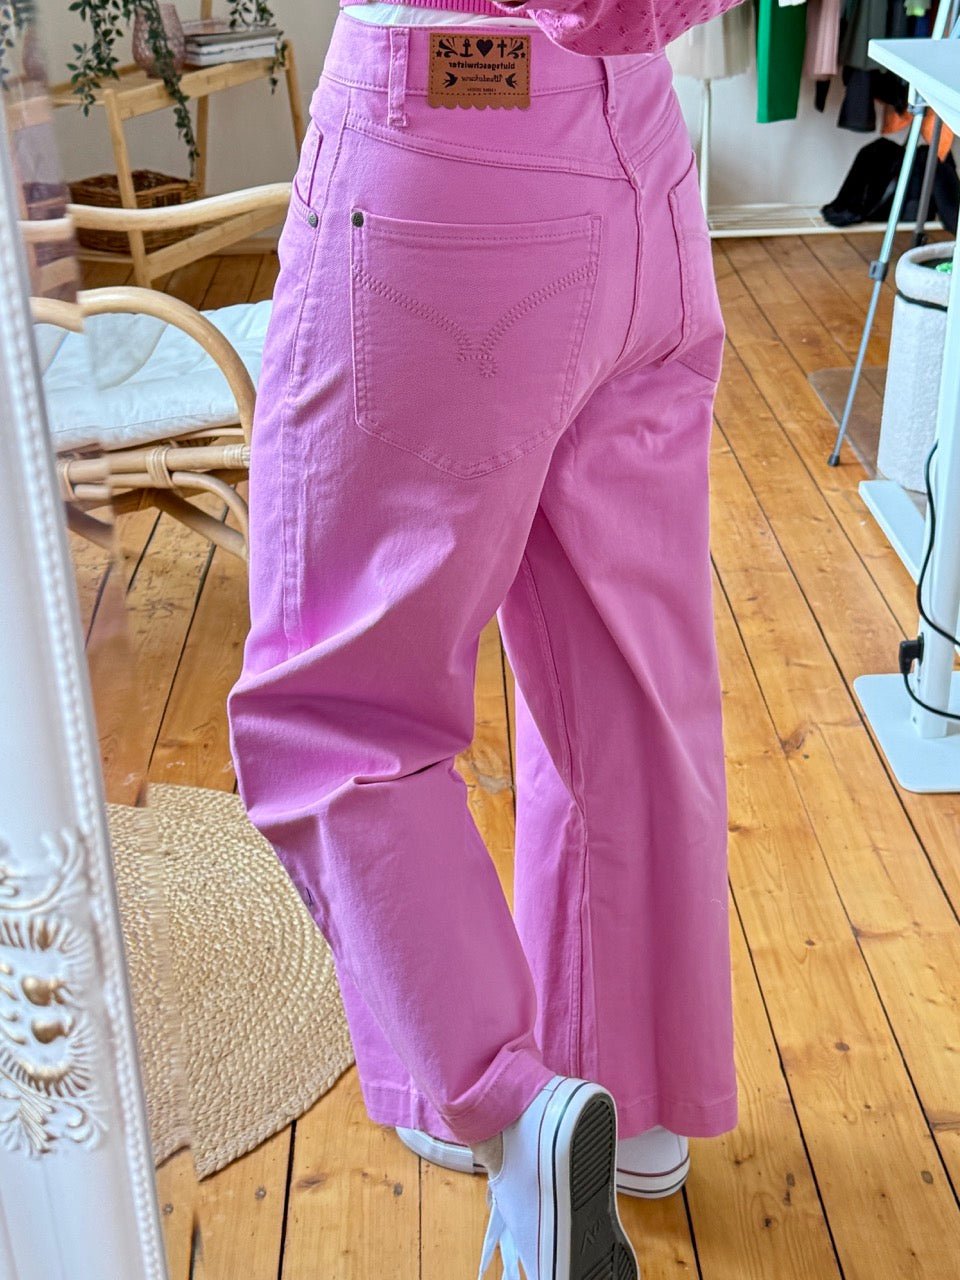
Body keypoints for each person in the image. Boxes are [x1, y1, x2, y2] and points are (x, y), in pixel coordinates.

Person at [227, 2, 742, 1275]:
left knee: (337, 706)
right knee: (628, 672)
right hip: (642, 166)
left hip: (450, 159)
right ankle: (633, 1095)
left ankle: (515, 1112)